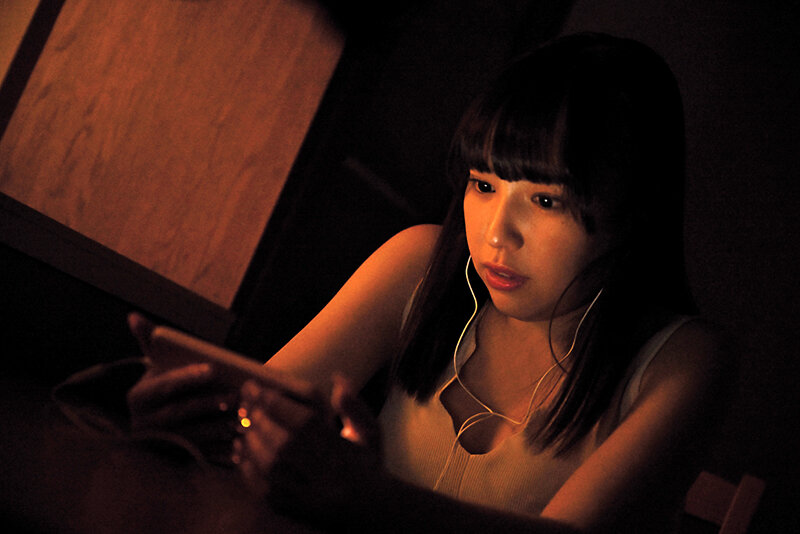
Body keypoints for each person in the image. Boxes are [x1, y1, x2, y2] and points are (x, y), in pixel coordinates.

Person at [127, 33, 731, 532]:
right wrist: (197, 421)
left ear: (632, 211)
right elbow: (260, 404)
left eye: (546, 200)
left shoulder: (682, 359)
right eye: (483, 185)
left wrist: (370, 499)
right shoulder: (421, 263)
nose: (497, 233)